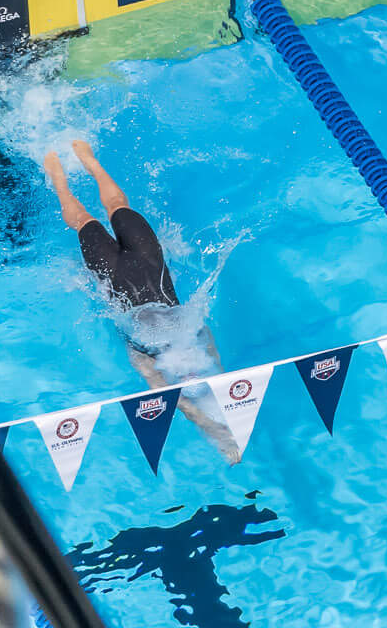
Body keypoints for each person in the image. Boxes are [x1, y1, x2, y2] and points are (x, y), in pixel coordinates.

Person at [41, 139, 239, 463]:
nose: (189, 374)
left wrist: (218, 436)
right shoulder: (195, 333)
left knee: (82, 221)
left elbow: (172, 398)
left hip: (111, 272)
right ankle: (91, 164)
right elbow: (212, 358)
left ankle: (60, 182)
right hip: (149, 259)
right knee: (119, 204)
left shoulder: (143, 355)